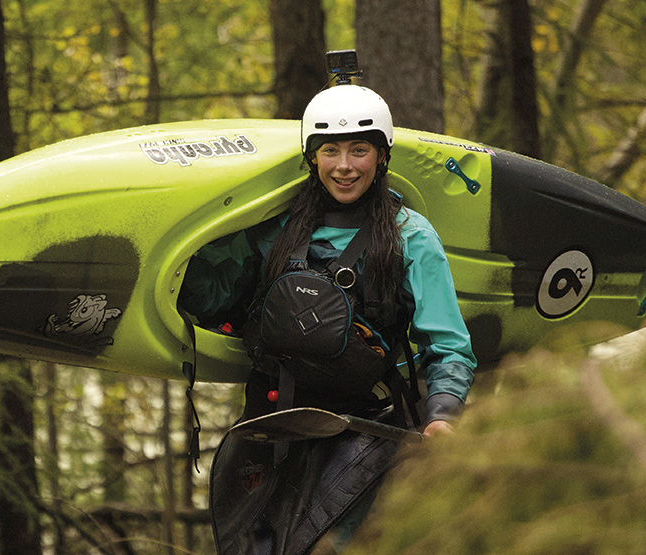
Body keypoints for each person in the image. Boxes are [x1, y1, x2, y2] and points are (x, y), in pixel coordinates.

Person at [178, 83, 476, 554]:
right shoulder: (275, 226)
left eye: (359, 149)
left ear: (381, 157)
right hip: (270, 423)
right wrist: (177, 241)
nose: (344, 166)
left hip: (362, 430)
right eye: (330, 150)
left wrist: (442, 412)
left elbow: (448, 344)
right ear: (311, 158)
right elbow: (216, 298)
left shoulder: (410, 237)